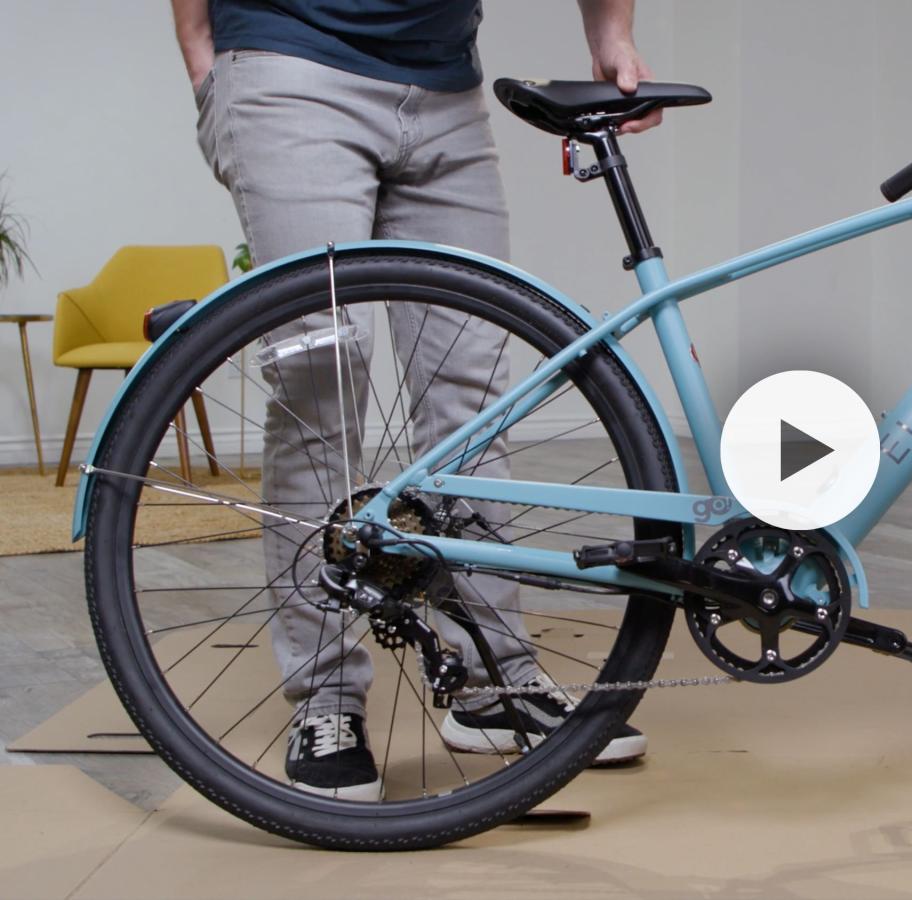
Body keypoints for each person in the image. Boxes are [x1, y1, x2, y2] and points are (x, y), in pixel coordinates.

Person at [170, 0, 659, 800]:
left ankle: (493, 680)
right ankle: (326, 699)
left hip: (445, 86)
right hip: (289, 68)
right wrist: (205, 64)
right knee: (318, 382)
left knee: (474, 395)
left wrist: (612, 34)